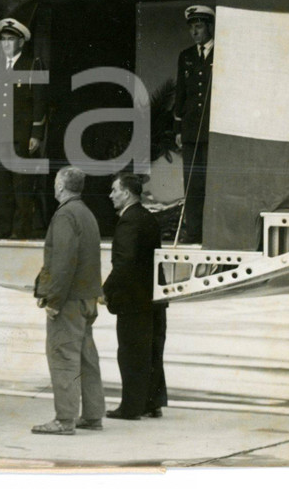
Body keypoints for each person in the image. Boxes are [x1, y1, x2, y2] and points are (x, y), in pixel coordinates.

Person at [32, 165, 105, 435]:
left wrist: (53, 299)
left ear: (61, 186)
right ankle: (93, 415)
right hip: (87, 298)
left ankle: (65, 419)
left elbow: (62, 261)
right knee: (86, 357)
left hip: (69, 300)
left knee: (63, 356)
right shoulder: (87, 214)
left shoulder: (65, 215)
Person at [103, 172, 167, 419]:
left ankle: (131, 407)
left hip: (134, 299)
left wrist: (106, 289)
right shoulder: (148, 217)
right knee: (151, 351)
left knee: (131, 354)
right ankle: (152, 403)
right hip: (152, 298)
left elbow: (125, 262)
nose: (111, 195)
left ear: (126, 193)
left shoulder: (129, 220)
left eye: (114, 190)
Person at [0, 17, 48, 239]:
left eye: (10, 40)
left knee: (22, 188)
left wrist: (36, 134)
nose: (6, 44)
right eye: (3, 40)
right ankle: (1, 231)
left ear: (21, 43)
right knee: (1, 187)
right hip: (0, 138)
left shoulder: (32, 65)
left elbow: (40, 102)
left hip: (22, 137)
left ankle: (20, 232)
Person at [173, 5, 215, 244]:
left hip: (212, 131)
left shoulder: (222, 52)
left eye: (198, 26)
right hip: (190, 130)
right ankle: (194, 231)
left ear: (209, 26)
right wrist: (178, 129)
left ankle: (211, 231)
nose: (194, 31)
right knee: (192, 182)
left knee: (211, 180)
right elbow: (181, 94)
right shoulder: (186, 56)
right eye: (191, 27)